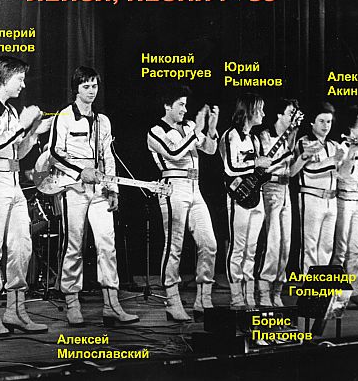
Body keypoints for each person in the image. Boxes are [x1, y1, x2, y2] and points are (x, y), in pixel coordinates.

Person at [49, 66, 138, 327]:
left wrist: (113, 189)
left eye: (94, 86)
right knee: (74, 245)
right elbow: (55, 153)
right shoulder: (64, 117)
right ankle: (72, 303)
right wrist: (80, 172)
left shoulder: (103, 121)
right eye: (86, 86)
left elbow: (108, 156)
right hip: (73, 188)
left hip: (100, 189)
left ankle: (112, 305)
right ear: (76, 89)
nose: (91, 91)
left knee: (107, 244)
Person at [0, 56, 50, 336]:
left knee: (21, 245)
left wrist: (33, 133)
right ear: (4, 77)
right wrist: (23, 125)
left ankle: (16, 312)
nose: (23, 85)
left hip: (12, 182)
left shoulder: (11, 111)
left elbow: (17, 153)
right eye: (20, 79)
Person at [147, 85, 219, 321]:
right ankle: (172, 301)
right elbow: (174, 153)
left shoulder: (188, 127)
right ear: (167, 105)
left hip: (195, 188)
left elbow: (210, 150)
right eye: (180, 105)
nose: (185, 109)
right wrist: (196, 130)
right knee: (174, 245)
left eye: (186, 105)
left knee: (209, 243)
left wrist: (210, 128)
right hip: (173, 187)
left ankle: (203, 299)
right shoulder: (156, 131)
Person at [220, 93, 271, 309]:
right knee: (237, 248)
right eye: (260, 109)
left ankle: (249, 295)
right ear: (249, 110)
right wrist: (256, 163)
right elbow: (230, 167)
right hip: (238, 197)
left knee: (252, 249)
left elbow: (262, 170)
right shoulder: (231, 135)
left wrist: (266, 163)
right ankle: (236, 297)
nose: (263, 114)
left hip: (256, 197)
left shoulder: (255, 139)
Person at [291, 102, 344, 274]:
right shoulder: (305, 142)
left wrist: (349, 157)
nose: (326, 126)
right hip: (311, 197)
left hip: (331, 200)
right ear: (312, 123)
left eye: (328, 122)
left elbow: (340, 173)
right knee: (310, 245)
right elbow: (310, 169)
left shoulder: (333, 145)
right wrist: (333, 161)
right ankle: (309, 284)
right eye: (321, 121)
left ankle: (320, 284)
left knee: (327, 246)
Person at [257, 98, 299, 307]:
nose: (293, 117)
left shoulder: (290, 136)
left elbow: (291, 169)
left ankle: (277, 290)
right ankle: (264, 290)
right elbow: (266, 164)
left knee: (285, 244)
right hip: (270, 187)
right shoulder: (265, 136)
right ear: (279, 115)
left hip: (285, 189)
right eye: (290, 112)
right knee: (273, 242)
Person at [331, 105, 358, 309]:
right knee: (340, 249)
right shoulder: (342, 146)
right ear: (351, 124)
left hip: (356, 199)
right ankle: (337, 293)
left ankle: (356, 290)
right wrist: (349, 155)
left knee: (356, 248)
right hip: (342, 198)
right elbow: (339, 174)